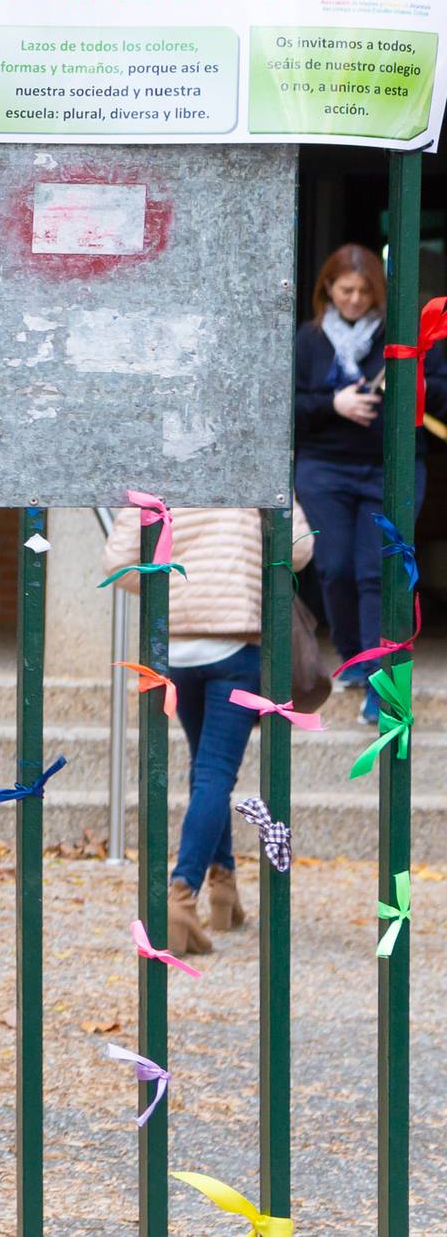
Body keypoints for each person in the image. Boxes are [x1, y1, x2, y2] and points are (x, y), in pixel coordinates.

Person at [102, 501, 313, 956]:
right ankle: (182, 895)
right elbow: (300, 548)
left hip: (173, 650)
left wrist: (174, 586)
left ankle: (224, 889)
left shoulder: (159, 475)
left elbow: (118, 564)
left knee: (204, 770)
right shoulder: (256, 464)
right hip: (235, 646)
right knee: (216, 773)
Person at [290, 244, 441, 719]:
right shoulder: (309, 339)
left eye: (363, 291)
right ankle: (353, 654)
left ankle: (381, 685)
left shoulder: (406, 336)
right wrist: (331, 405)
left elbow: (441, 392)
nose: (354, 300)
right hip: (324, 468)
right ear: (328, 291)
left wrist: (410, 378)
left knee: (377, 572)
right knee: (334, 567)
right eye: (344, 290)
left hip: (388, 467)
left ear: (380, 291)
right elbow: (284, 407)